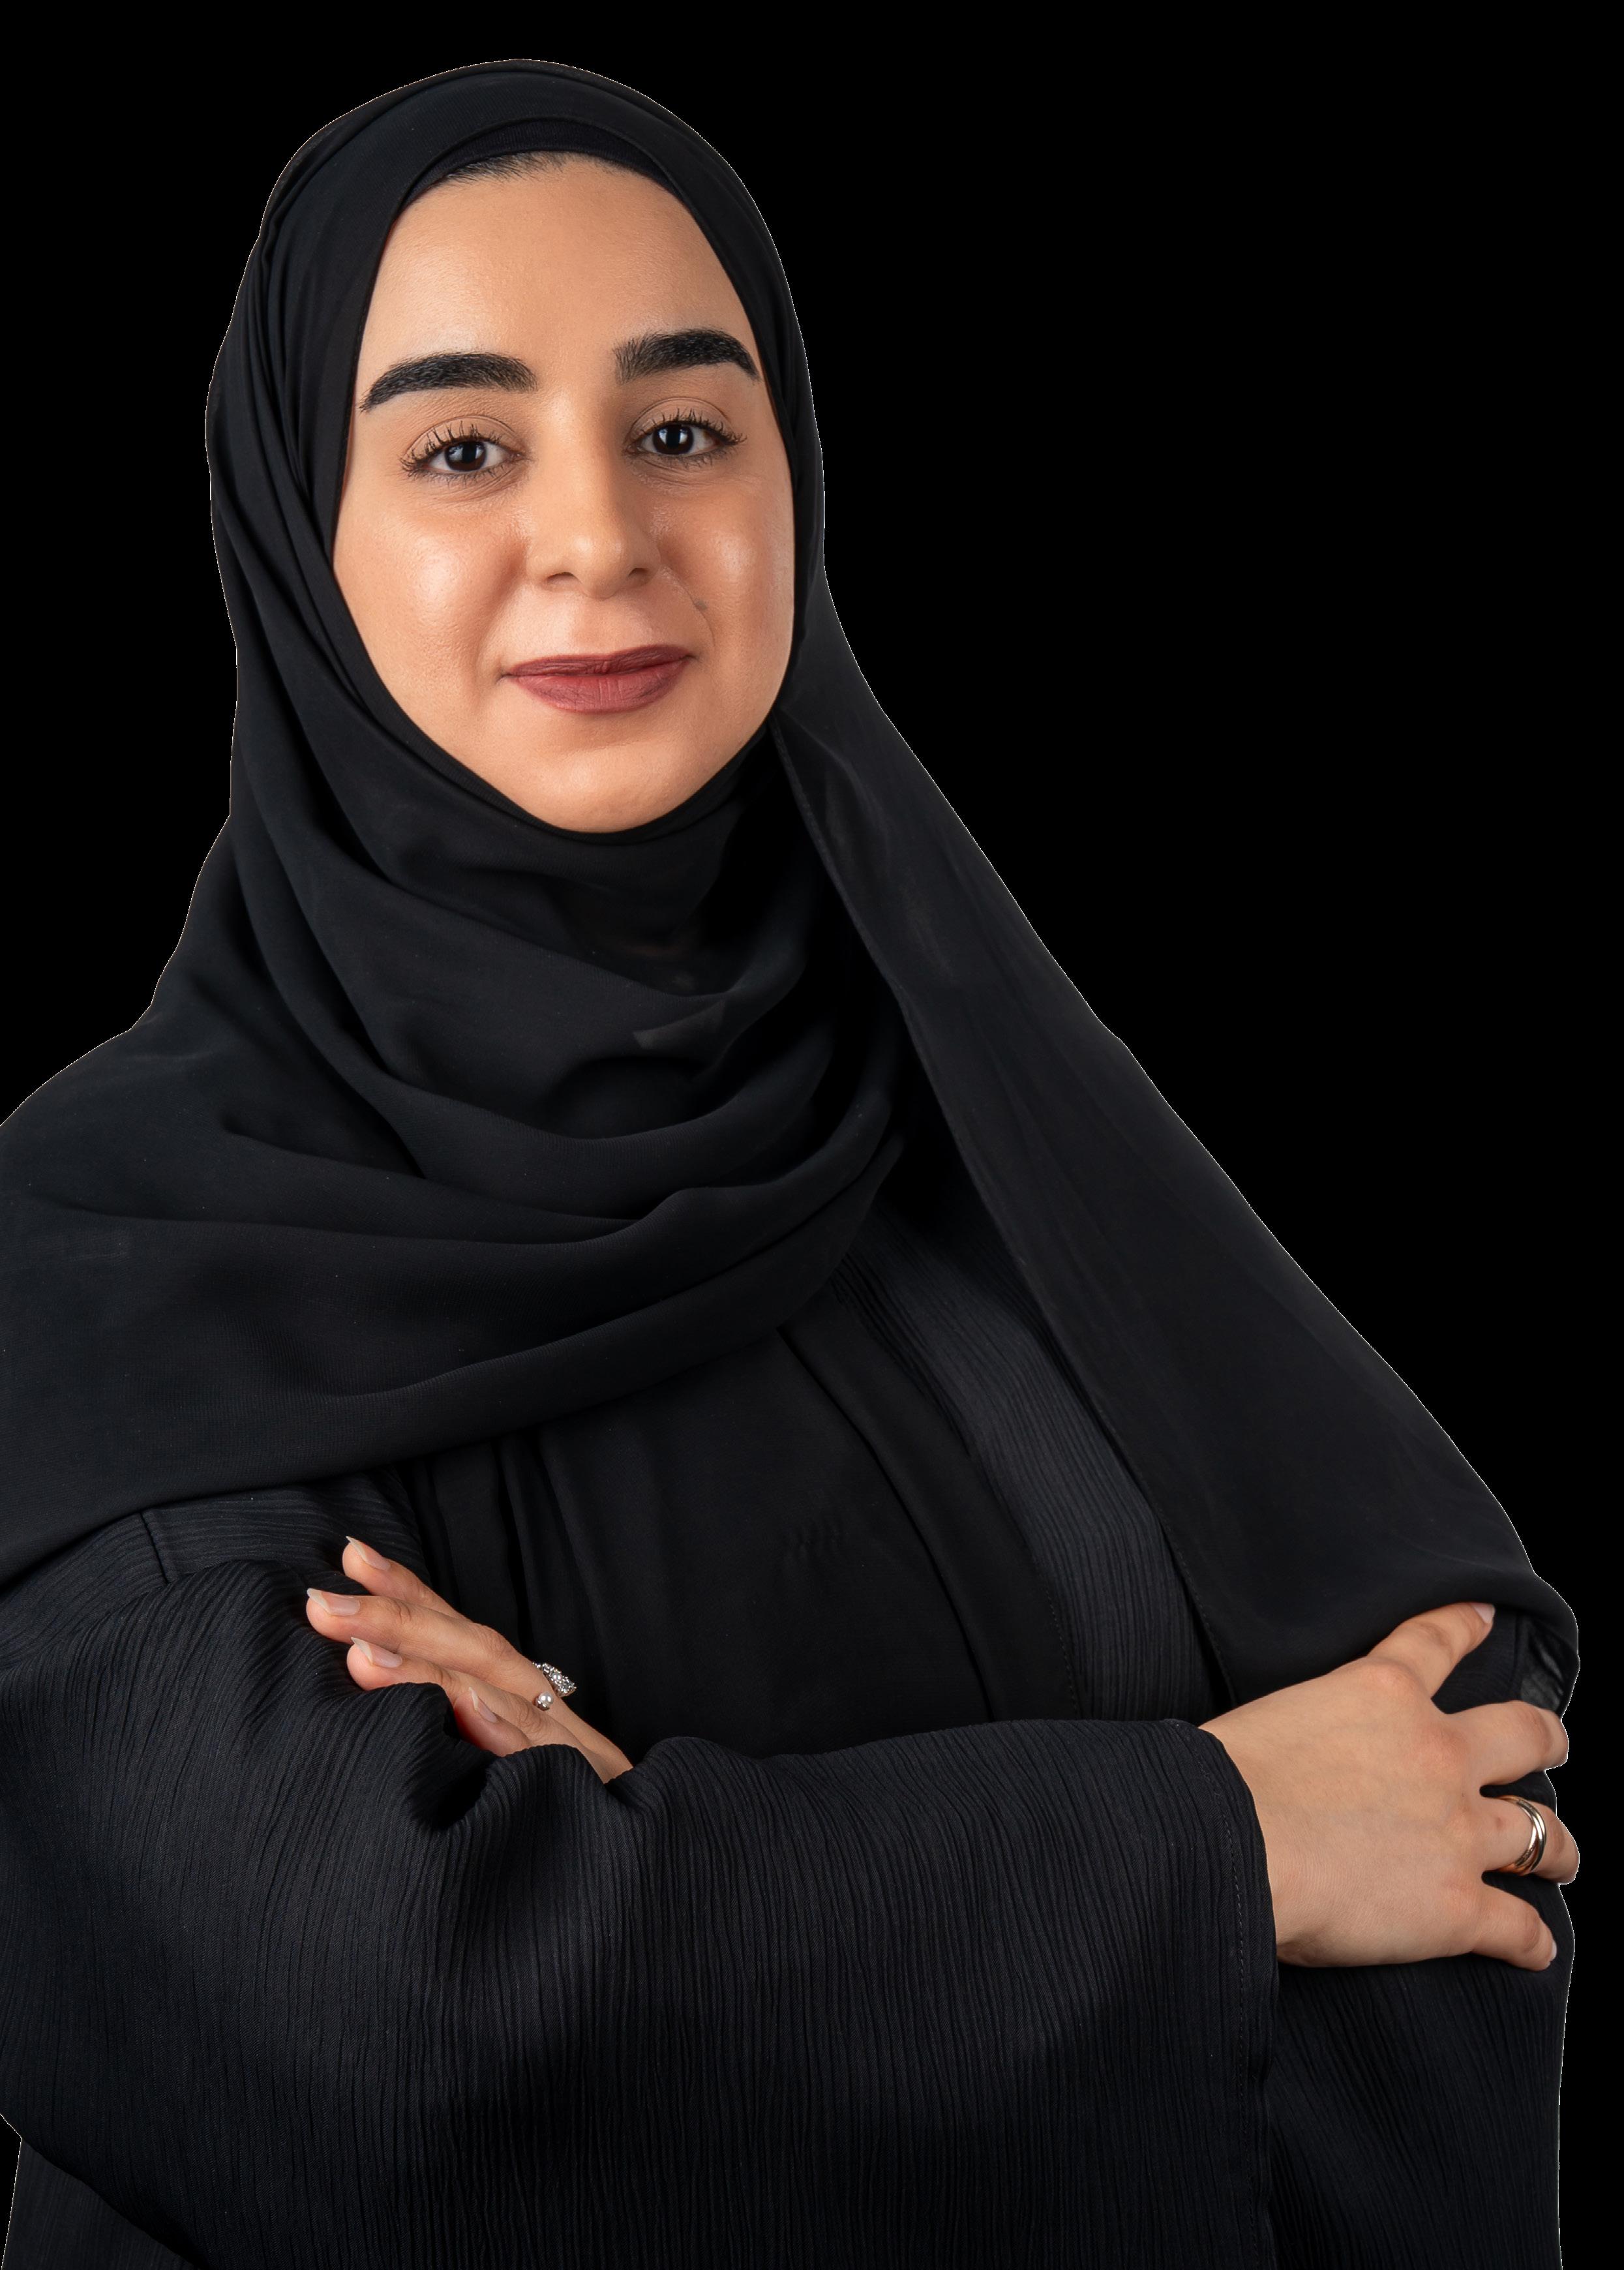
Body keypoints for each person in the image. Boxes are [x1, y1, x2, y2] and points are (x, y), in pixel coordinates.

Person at [0, 60, 1578, 2269]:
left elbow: (1459, 1764)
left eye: (682, 430)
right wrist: (1214, 1850)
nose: (599, 537)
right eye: (464, 448)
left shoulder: (976, 1116)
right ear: (295, 532)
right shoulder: (108, 1263)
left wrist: (663, 1871)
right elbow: (383, 2054)